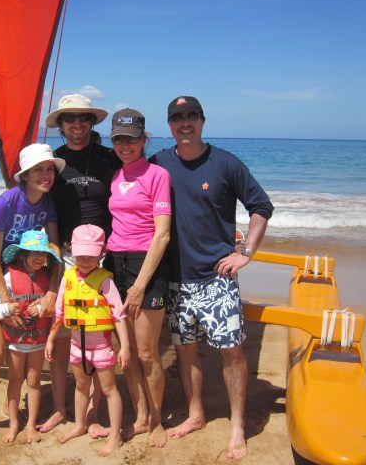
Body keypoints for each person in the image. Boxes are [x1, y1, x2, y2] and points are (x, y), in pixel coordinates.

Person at [0, 94, 120, 436]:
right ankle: (61, 409)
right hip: (64, 258)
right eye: (70, 118)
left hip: (102, 258)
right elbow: (10, 201)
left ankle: (92, 413)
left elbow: (136, 187)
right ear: (62, 125)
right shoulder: (53, 162)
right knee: (62, 338)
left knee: (98, 335)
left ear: (92, 123)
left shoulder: (109, 159)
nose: (78, 124)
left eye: (84, 118)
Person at [150, 96, 274, 460]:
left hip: (217, 280)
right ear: (170, 125)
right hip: (176, 280)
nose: (184, 123)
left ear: (202, 121)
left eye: (191, 116)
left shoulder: (225, 163)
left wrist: (245, 252)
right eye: (177, 118)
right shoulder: (159, 164)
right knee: (185, 352)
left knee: (231, 352)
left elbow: (261, 206)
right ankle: (195, 414)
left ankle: (237, 425)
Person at [0, 143, 64, 446]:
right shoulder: (7, 201)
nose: (46, 176)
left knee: (21, 344)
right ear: (25, 174)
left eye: (49, 170)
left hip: (18, 279)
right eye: (38, 170)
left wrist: (51, 292)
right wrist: (7, 302)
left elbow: (55, 249)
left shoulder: (47, 203)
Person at [106, 109, 172, 448]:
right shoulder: (116, 176)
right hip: (115, 263)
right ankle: (141, 416)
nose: (125, 144)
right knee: (125, 349)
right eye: (118, 138)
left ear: (143, 139)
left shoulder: (157, 174)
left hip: (146, 266)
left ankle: (157, 419)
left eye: (131, 138)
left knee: (147, 353)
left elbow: (161, 235)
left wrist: (140, 284)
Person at [45, 224, 131, 456]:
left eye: (91, 255)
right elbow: (60, 312)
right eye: (80, 254)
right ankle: (80, 425)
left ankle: (115, 436)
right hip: (76, 346)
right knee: (81, 387)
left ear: (101, 254)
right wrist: (52, 338)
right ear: (72, 251)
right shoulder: (68, 277)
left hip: (101, 347)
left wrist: (125, 347)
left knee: (110, 389)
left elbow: (119, 316)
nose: (84, 260)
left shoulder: (105, 281)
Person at [0, 230, 62, 444]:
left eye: (43, 254)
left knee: (34, 380)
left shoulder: (49, 281)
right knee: (15, 380)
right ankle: (14, 423)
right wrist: (7, 310)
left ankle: (31, 424)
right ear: (22, 254)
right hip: (15, 343)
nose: (39, 257)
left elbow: (58, 309)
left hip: (38, 343)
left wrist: (43, 307)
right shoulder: (9, 277)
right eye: (33, 252)